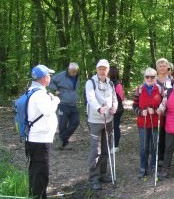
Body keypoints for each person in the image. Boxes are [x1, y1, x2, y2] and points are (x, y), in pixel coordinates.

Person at [26, 64, 59, 199]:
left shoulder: (34, 91)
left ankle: (35, 196)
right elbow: (48, 111)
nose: (50, 77)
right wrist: (56, 100)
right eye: (49, 75)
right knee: (41, 172)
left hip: (36, 138)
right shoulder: (39, 94)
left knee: (36, 169)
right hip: (39, 139)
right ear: (44, 78)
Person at [85, 59, 118, 190]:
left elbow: (114, 98)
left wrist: (114, 107)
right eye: (100, 69)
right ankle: (93, 178)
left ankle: (103, 174)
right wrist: (99, 108)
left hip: (108, 120)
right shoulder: (90, 82)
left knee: (106, 149)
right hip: (95, 120)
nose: (102, 71)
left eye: (105, 69)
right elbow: (90, 98)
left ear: (108, 70)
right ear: (97, 69)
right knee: (95, 151)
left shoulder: (110, 83)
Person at [133, 68, 163, 178]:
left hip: (156, 122)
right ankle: (143, 167)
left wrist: (155, 110)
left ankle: (154, 167)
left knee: (155, 145)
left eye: (152, 77)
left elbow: (163, 105)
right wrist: (141, 112)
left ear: (156, 78)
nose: (150, 79)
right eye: (147, 77)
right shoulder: (139, 89)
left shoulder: (160, 89)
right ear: (144, 78)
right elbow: (134, 106)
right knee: (144, 146)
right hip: (143, 123)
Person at [49, 62, 80, 150]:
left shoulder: (77, 76)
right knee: (62, 124)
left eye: (75, 72)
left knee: (76, 121)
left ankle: (61, 138)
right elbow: (51, 80)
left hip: (73, 103)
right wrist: (55, 90)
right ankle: (64, 144)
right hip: (62, 103)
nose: (74, 74)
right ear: (68, 69)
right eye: (72, 72)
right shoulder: (61, 75)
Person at [155, 58, 173, 166]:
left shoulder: (172, 80)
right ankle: (160, 158)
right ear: (157, 68)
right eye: (160, 65)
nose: (162, 67)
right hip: (156, 110)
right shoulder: (152, 79)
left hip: (170, 111)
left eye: (164, 65)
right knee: (159, 134)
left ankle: (168, 158)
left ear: (168, 67)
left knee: (169, 135)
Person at [109, 66, 125, 153]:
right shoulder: (117, 84)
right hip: (113, 108)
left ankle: (115, 145)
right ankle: (113, 145)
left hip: (117, 109)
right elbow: (122, 97)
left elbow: (121, 98)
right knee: (113, 127)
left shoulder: (114, 84)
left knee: (114, 127)